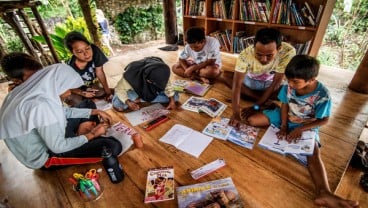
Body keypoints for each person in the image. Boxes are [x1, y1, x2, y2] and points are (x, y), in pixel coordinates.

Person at [245, 55, 360, 208]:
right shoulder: (288, 86)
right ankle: (272, 109)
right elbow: (285, 105)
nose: (290, 84)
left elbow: (324, 120)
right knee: (252, 120)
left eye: (295, 82)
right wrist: (284, 126)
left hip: (307, 124)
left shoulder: (322, 96)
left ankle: (324, 192)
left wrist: (300, 129)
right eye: (288, 80)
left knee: (313, 153)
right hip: (286, 116)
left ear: (312, 79)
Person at [0, 52, 128, 169]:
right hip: (47, 155)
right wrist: (92, 135)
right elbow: (57, 146)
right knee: (113, 147)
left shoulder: (32, 92)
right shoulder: (39, 104)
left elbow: (61, 112)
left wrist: (95, 112)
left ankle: (80, 135)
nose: (69, 92)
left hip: (49, 135)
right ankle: (83, 136)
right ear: (18, 80)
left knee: (88, 104)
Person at [224, 28, 296, 128]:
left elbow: (276, 83)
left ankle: (253, 97)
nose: (263, 59)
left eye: (269, 55)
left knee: (287, 91)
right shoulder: (245, 54)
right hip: (251, 83)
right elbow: (237, 85)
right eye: (258, 54)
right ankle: (263, 99)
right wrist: (236, 114)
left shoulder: (288, 51)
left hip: (271, 85)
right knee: (227, 77)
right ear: (254, 47)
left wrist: (256, 106)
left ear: (279, 49)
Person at [112, 56, 180, 112]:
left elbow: (167, 85)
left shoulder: (162, 71)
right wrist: (128, 102)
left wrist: (172, 100)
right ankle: (137, 98)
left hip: (152, 91)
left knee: (175, 98)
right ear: (148, 80)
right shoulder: (130, 76)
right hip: (135, 91)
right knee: (118, 105)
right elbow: (119, 89)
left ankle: (138, 99)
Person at [64, 31, 113, 103]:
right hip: (77, 90)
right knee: (74, 100)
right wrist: (82, 93)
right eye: (80, 51)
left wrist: (108, 93)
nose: (86, 54)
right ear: (72, 53)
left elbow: (99, 72)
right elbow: (67, 87)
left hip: (90, 87)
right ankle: (86, 100)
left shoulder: (94, 50)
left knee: (102, 92)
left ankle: (90, 98)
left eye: (87, 48)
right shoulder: (69, 67)